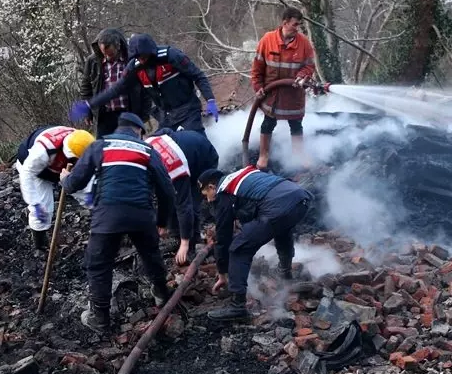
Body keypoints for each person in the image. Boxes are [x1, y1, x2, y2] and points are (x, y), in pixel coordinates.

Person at [60, 113, 175, 333]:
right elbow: (167, 190)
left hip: (108, 216)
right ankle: (161, 294)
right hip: (141, 214)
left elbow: (75, 183)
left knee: (99, 264)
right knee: (151, 254)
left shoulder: (100, 146)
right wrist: (161, 221)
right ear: (139, 130)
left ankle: (100, 318)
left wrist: (64, 178)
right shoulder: (147, 150)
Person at [198, 166, 312, 321]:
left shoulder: (224, 191)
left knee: (238, 249)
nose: (208, 200)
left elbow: (223, 237)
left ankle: (237, 307)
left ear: (212, 186)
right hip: (300, 198)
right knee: (282, 230)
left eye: (206, 194)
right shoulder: (243, 175)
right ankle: (285, 273)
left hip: (277, 206)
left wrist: (222, 272)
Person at [72, 34, 217, 133]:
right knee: (159, 149)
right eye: (137, 58)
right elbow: (116, 89)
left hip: (188, 109)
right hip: (165, 116)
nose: (141, 61)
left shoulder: (171, 56)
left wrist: (210, 99)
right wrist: (90, 104)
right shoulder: (134, 67)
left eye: (143, 57)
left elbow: (198, 76)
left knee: (194, 142)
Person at [251, 7, 317, 169]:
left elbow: (309, 67)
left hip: (293, 95)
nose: (297, 28)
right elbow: (257, 66)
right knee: (268, 124)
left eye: (299, 25)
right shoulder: (268, 40)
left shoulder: (304, 44)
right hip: (271, 95)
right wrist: (258, 86)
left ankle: (298, 153)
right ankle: (263, 155)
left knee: (295, 125)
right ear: (285, 22)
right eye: (295, 24)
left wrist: (302, 75)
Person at [146, 127, 219, 266]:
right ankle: (175, 233)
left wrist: (184, 243)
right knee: (172, 196)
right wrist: (161, 222)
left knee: (191, 202)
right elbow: (165, 130)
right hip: (185, 147)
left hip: (204, 159)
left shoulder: (174, 171)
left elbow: (184, 206)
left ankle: (191, 243)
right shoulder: (146, 148)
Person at [15, 125, 95, 251]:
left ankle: (106, 227)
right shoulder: (43, 150)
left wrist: (91, 195)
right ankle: (41, 247)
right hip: (37, 172)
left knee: (92, 196)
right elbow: (27, 174)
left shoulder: (85, 143)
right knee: (43, 210)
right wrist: (34, 203)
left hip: (64, 171)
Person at [79, 28, 151, 136]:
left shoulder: (131, 59)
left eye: (110, 54)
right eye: (104, 54)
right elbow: (86, 88)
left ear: (118, 46)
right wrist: (87, 112)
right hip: (104, 116)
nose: (107, 57)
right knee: (104, 149)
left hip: (129, 114)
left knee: (129, 148)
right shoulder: (93, 61)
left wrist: (144, 114)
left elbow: (145, 86)